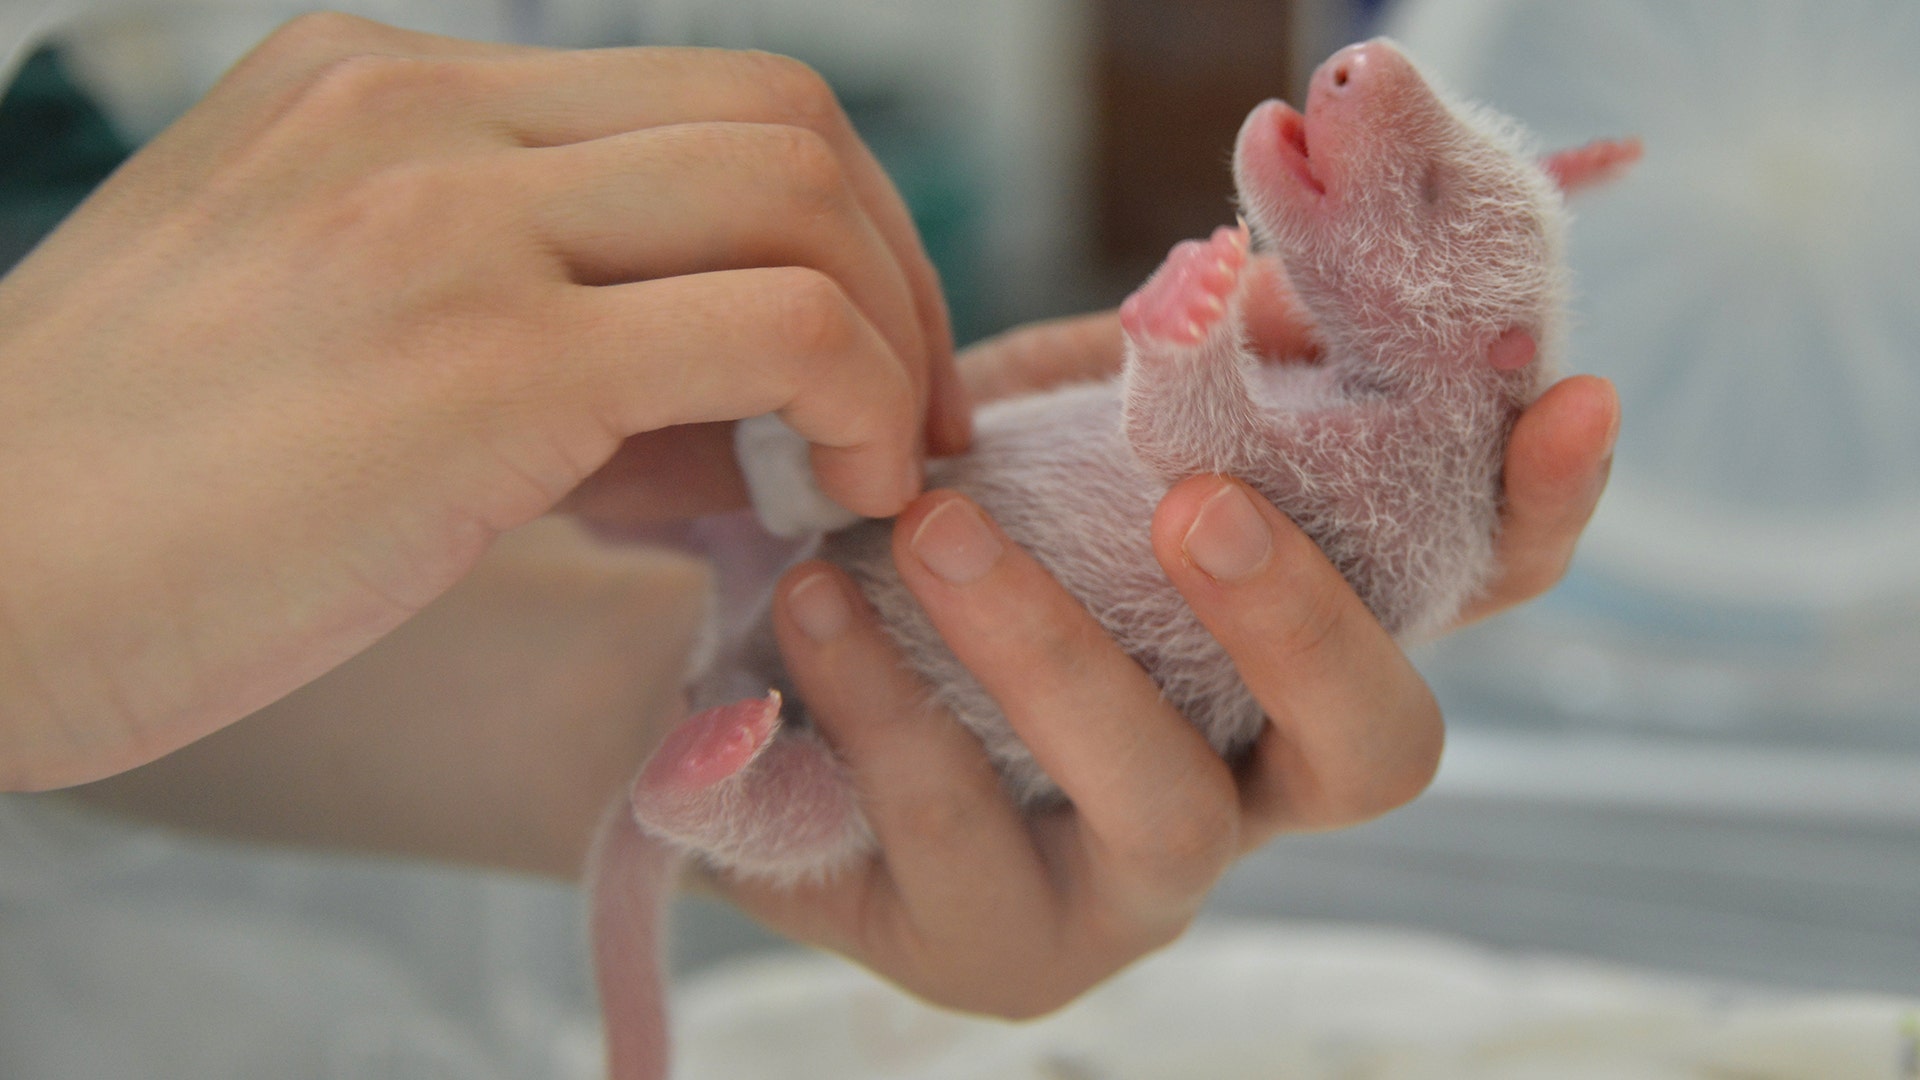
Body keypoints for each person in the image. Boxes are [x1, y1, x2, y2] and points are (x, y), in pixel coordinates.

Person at [0, 14, 1618, 1024]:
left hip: (766, 596)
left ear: (1485, 346)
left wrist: (609, 686)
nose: (1359, 92)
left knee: (818, 779)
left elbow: (162, 601)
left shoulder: (1394, 470)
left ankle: (731, 780)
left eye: (1421, 192)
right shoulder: (1386, 413)